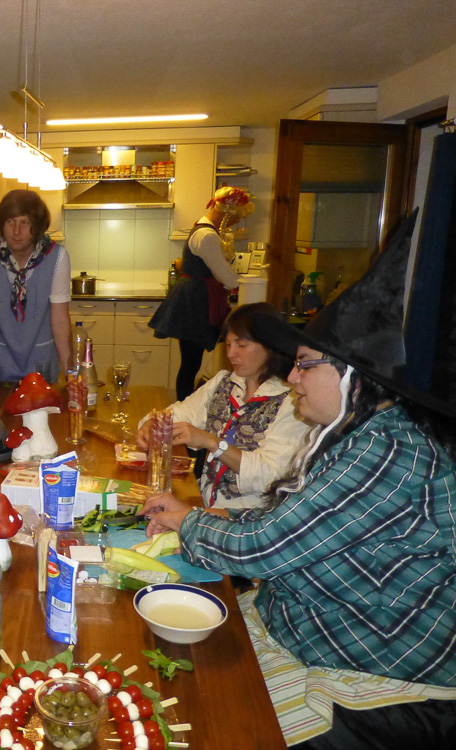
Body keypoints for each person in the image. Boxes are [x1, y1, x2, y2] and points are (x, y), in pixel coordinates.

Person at [144, 214, 456, 749]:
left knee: (205, 717)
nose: (291, 376)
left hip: (378, 655)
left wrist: (192, 521)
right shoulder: (360, 435)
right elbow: (295, 521)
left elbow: (266, 547)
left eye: (305, 364)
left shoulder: (386, 451)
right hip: (307, 625)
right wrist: (216, 515)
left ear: (351, 377)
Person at [135, 303, 313, 509]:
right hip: (204, 503)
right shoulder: (224, 383)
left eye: (241, 345)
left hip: (250, 516)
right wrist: (152, 424)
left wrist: (212, 442)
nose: (230, 354)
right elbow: (180, 413)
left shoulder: (293, 402)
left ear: (271, 346)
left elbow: (270, 476)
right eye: (228, 345)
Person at [149, 186, 254, 400]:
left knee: (191, 362)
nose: (236, 222)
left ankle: (187, 404)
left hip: (195, 298)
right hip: (195, 302)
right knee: (191, 363)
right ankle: (184, 406)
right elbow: (226, 276)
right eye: (237, 216)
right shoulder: (207, 236)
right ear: (228, 212)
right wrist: (248, 284)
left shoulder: (204, 229)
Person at [0, 189, 71, 382]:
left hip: (41, 364)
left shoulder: (57, 257)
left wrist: (70, 375)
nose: (16, 231)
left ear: (37, 226)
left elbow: (60, 320)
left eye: (25, 223)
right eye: (10, 221)